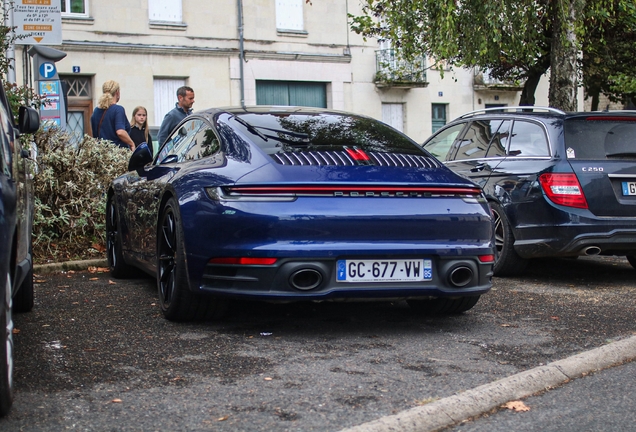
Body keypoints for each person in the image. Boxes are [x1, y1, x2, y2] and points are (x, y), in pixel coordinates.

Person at [90, 80, 135, 151]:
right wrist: (131, 143)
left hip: (101, 154)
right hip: (117, 154)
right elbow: (120, 132)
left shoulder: (96, 111)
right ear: (117, 92)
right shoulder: (118, 110)